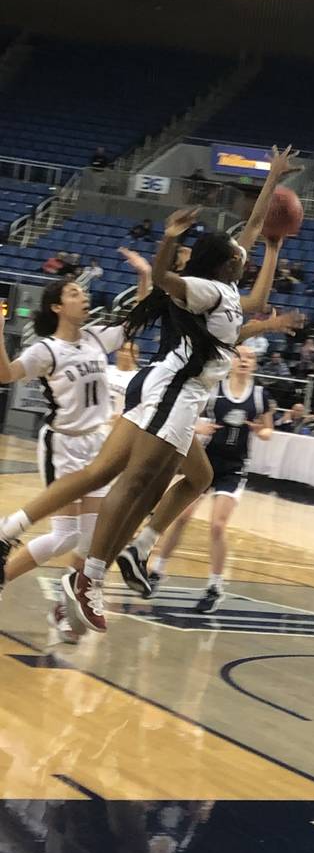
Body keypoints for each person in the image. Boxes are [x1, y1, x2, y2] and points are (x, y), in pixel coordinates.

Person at [0, 146, 303, 633]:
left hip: (172, 389)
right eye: (238, 256)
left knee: (170, 478)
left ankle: (111, 549)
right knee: (137, 485)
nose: (241, 256)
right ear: (224, 264)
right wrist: (168, 239)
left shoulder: (226, 291)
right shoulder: (205, 288)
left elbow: (255, 288)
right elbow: (166, 278)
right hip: (171, 392)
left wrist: (273, 210)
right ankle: (92, 574)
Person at [0, 257, 151, 642]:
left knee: (89, 539)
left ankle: (66, 607)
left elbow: (137, 321)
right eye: (74, 292)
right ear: (57, 306)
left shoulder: (98, 336)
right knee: (66, 537)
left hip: (97, 444)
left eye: (82, 292)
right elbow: (5, 374)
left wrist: (146, 276)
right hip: (63, 445)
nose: (83, 297)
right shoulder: (46, 350)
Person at [146, 347, 272, 612]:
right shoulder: (215, 389)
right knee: (181, 516)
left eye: (250, 358)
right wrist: (198, 427)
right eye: (240, 356)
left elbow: (268, 428)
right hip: (206, 462)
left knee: (217, 527)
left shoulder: (260, 396)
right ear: (231, 361)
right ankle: (157, 570)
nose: (245, 361)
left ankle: (215, 586)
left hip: (234, 468)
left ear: (255, 365)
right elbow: (188, 417)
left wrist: (263, 432)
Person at [107, 341, 140, 418]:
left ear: (137, 356)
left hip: (120, 423)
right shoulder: (105, 370)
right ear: (117, 352)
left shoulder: (139, 378)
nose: (127, 354)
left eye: (132, 352)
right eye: (124, 350)